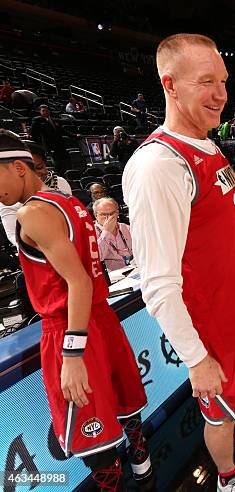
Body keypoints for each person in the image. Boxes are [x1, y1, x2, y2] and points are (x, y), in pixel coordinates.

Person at [123, 33, 235, 492]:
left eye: (223, 80)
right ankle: (228, 480)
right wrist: (197, 357)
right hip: (213, 322)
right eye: (206, 82)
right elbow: (158, 284)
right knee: (221, 411)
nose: (222, 94)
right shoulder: (158, 166)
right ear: (170, 85)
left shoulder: (207, 142)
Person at [0, 130, 151, 491]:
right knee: (125, 401)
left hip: (71, 326)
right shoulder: (71, 202)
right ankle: (144, 468)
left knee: (92, 436)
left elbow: (79, 283)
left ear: (19, 167)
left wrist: (72, 354)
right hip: (102, 319)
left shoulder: (33, 212)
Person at [0, 141, 72, 247]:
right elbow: (12, 236)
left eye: (38, 167)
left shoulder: (61, 186)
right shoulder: (8, 199)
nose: (33, 174)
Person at [29, 104, 77, 176]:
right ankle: (58, 176)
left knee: (66, 161)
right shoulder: (37, 120)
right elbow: (33, 132)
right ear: (40, 112)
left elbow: (62, 130)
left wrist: (74, 135)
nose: (45, 112)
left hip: (60, 144)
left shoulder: (54, 120)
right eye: (43, 111)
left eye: (46, 110)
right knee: (56, 162)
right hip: (49, 145)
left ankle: (68, 175)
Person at [93, 197, 133, 271]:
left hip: (132, 270)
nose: (109, 218)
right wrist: (106, 232)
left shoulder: (126, 228)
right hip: (112, 277)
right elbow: (97, 257)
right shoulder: (91, 233)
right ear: (96, 215)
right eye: (104, 214)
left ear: (117, 213)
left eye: (112, 214)